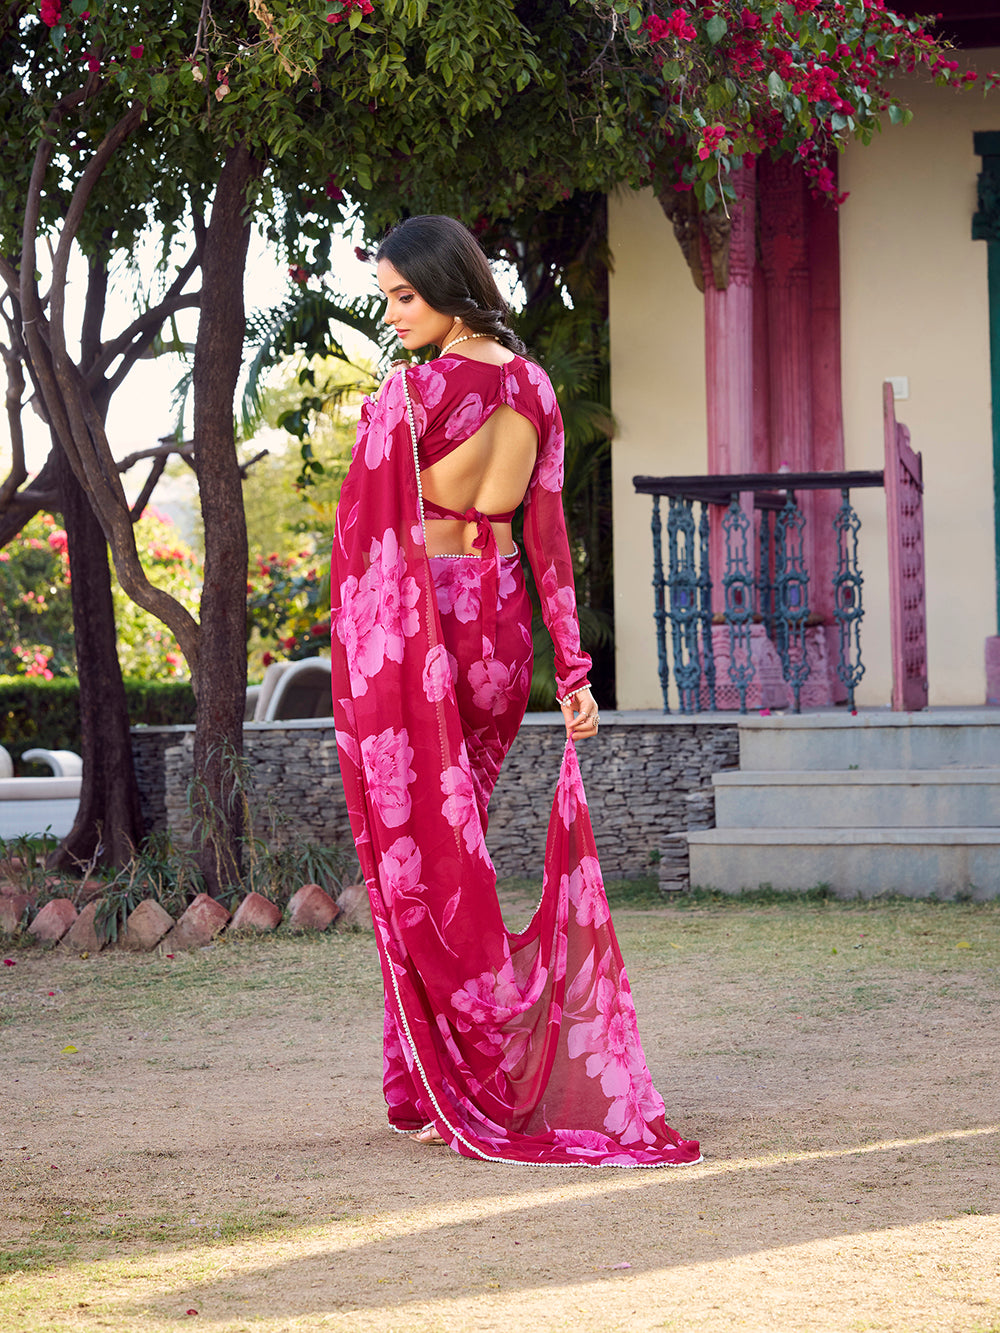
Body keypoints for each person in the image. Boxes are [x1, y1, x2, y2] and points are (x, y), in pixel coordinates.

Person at [329, 215, 700, 1168]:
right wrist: (573, 671)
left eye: (405, 297)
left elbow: (367, 547)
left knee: (424, 862)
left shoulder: (406, 400)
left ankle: (458, 1072)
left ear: (449, 287)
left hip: (424, 634)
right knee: (459, 848)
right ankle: (445, 1065)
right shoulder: (534, 388)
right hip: (499, 626)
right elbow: (548, 541)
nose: (394, 317)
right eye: (387, 301)